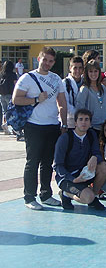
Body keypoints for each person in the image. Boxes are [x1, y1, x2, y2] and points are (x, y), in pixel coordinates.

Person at [13, 47, 68, 210]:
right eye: (45, 60)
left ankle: (46, 194)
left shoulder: (56, 79)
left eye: (51, 61)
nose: (47, 63)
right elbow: (16, 99)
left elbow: (62, 103)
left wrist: (64, 124)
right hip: (33, 126)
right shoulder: (27, 78)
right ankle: (29, 196)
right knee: (33, 162)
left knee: (47, 162)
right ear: (39, 59)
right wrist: (36, 99)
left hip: (52, 126)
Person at [54, 109, 106, 210]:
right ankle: (65, 193)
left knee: (104, 166)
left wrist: (95, 157)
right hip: (67, 178)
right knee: (87, 197)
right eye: (81, 119)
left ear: (90, 123)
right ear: (75, 122)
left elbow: (98, 153)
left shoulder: (91, 135)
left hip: (83, 173)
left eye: (87, 119)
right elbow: (58, 166)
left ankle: (94, 197)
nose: (84, 122)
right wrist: (72, 179)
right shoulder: (65, 138)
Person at [76, 60, 106, 132]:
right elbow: (79, 109)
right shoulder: (84, 89)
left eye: (95, 71)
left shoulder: (103, 88)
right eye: (90, 71)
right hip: (91, 127)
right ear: (87, 73)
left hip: (104, 126)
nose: (93, 74)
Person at [62, 56, 84, 129]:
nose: (78, 71)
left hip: (84, 123)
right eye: (75, 68)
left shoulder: (86, 82)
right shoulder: (64, 83)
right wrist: (80, 115)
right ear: (70, 68)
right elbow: (65, 104)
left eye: (80, 68)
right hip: (70, 123)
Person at [1, 60, 17, 134]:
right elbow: (16, 84)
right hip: (10, 94)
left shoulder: (2, 74)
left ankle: (6, 128)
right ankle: (12, 127)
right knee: (12, 112)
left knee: (5, 112)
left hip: (2, 95)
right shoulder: (13, 74)